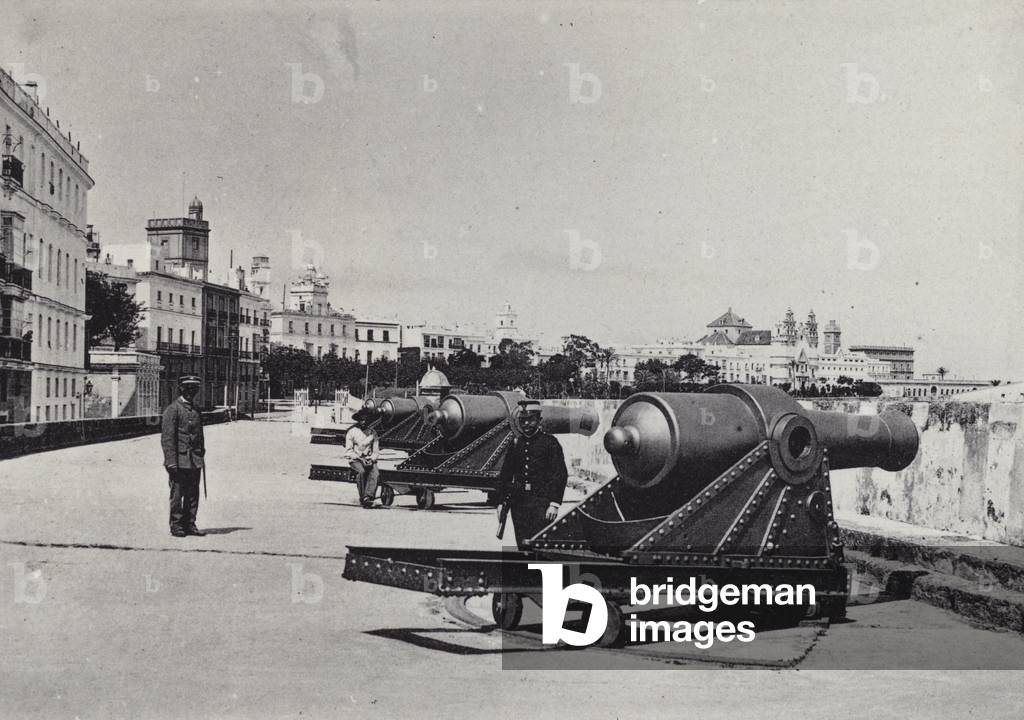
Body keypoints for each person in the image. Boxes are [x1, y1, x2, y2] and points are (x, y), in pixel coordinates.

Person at [496, 400, 568, 548]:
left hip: (541, 503)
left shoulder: (550, 443)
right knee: (522, 544)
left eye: (530, 420)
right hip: (519, 504)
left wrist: (554, 503)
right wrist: (500, 502)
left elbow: (559, 474)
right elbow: (505, 475)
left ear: (539, 420)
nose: (526, 424)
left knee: (540, 545)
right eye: (522, 421)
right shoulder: (516, 443)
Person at [161, 375, 206, 537]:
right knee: (177, 494)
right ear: (181, 388)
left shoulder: (196, 409)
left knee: (193, 494)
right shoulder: (173, 409)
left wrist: (201, 452)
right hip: (179, 461)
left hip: (194, 460)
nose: (191, 391)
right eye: (188, 388)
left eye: (194, 388)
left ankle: (190, 523)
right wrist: (170, 461)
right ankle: (176, 525)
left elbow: (199, 435)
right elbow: (167, 438)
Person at [345, 407, 381, 508]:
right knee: (361, 472)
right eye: (361, 419)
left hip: (368, 459)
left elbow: (376, 451)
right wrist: (360, 459)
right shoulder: (352, 432)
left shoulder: (373, 433)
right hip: (356, 459)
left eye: (365, 419)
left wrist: (371, 459)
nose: (363, 421)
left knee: (375, 474)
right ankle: (363, 498)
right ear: (358, 420)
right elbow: (349, 451)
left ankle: (368, 497)